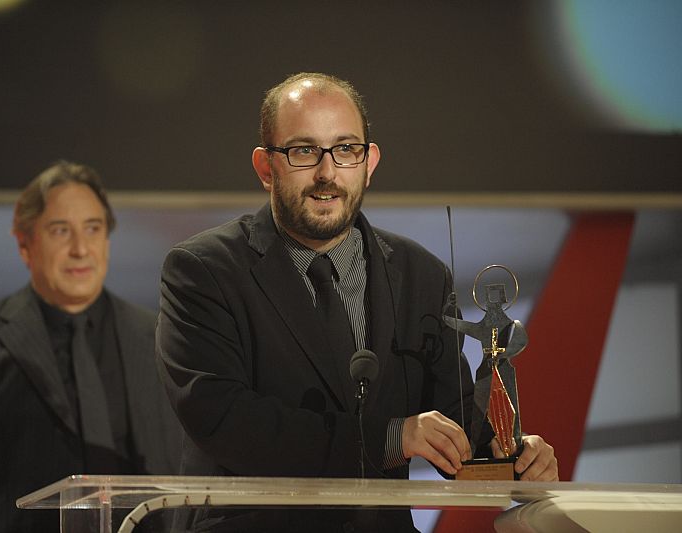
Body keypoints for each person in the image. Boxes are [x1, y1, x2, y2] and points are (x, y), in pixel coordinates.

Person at [156, 73, 558, 532]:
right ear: (266, 167)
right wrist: (390, 438)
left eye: (345, 149)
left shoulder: (420, 275)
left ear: (369, 162)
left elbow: (455, 418)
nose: (327, 173)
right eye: (304, 151)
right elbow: (224, 419)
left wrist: (510, 455)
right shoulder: (204, 271)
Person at [0, 161, 181, 533]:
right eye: (60, 231)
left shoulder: (159, 337)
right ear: (25, 244)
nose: (80, 249)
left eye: (93, 228)